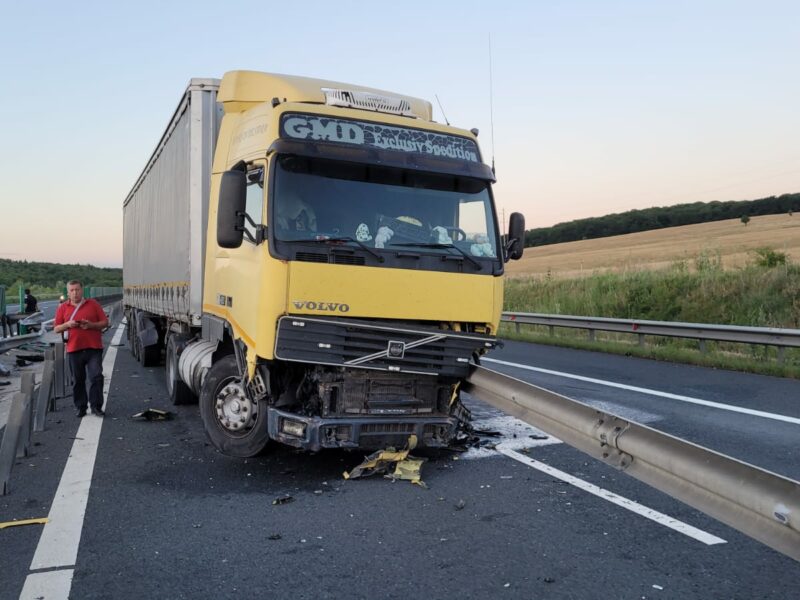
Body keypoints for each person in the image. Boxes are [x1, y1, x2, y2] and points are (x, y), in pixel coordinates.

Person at [53, 280, 109, 418]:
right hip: (74, 349)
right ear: (68, 292)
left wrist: (90, 325)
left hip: (93, 348)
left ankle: (96, 406)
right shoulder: (62, 307)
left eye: (77, 289)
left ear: (82, 290)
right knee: (78, 380)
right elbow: (56, 328)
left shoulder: (93, 304)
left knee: (96, 376)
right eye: (72, 290)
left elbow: (105, 323)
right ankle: (81, 407)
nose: (75, 293)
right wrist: (67, 324)